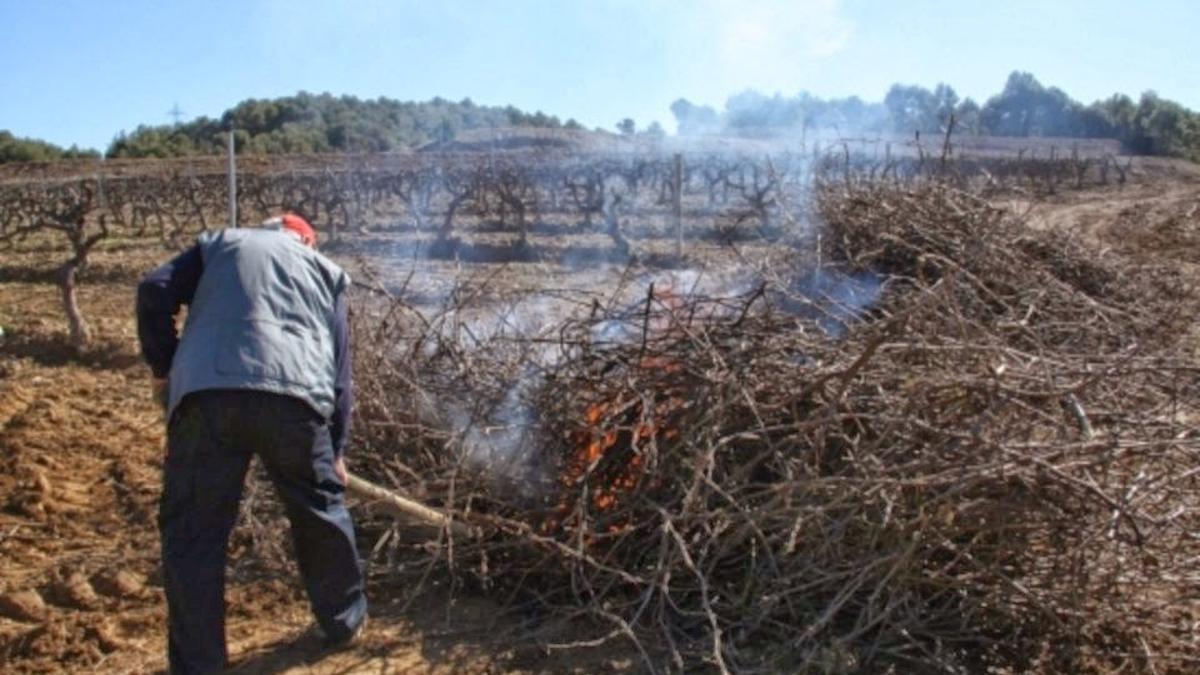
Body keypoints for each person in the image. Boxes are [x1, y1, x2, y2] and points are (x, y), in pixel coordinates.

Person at [137, 214, 367, 674]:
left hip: (207, 399)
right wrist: (335, 449)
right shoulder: (324, 270)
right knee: (320, 511)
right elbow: (340, 375)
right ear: (306, 241)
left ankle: (199, 664)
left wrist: (168, 365)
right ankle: (344, 622)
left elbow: (153, 289)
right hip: (296, 403)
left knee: (194, 535)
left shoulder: (220, 246)